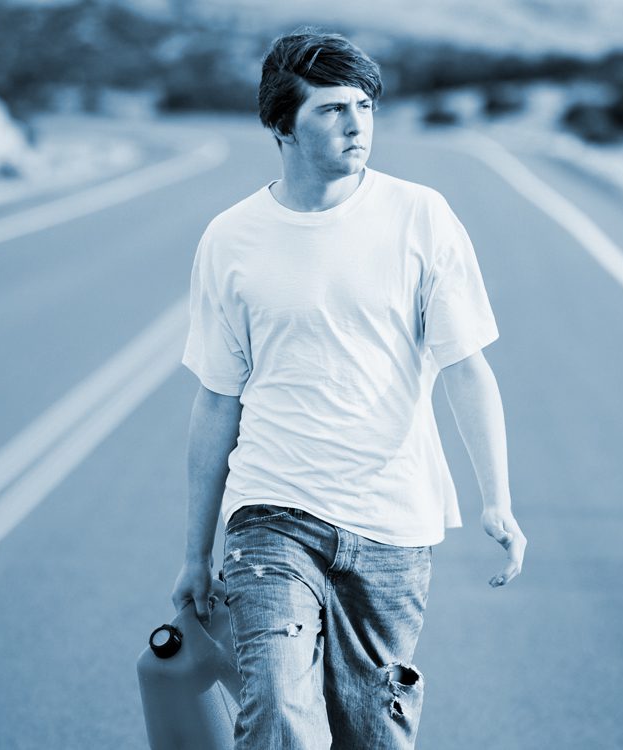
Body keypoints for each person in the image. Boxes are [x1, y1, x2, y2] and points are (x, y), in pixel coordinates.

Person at [171, 28, 527, 750]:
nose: (356, 124)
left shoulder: (420, 217)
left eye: (364, 105)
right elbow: (216, 401)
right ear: (281, 125)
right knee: (274, 713)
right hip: (271, 514)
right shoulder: (231, 238)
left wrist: (498, 499)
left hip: (392, 522)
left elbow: (467, 367)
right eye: (332, 109)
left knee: (374, 736)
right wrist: (194, 551)